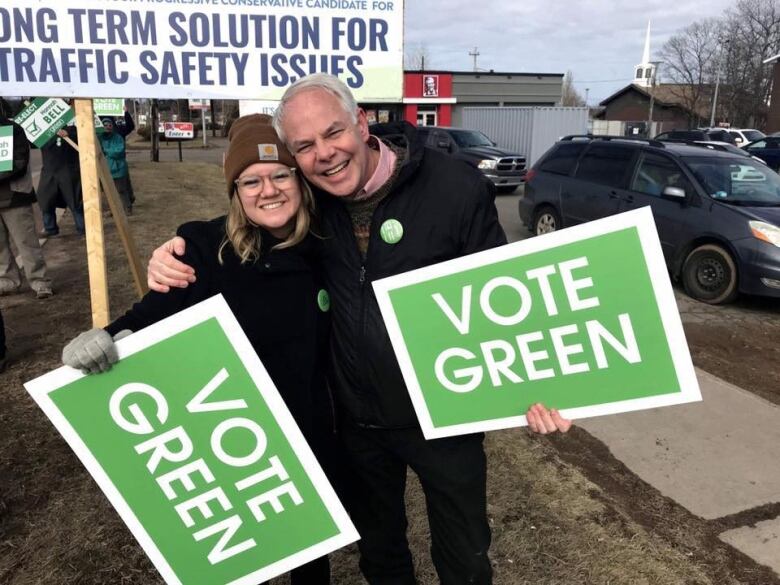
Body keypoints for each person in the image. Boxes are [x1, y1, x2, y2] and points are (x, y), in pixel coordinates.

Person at [147, 74, 571, 585]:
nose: (324, 154)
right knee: (381, 556)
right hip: (357, 421)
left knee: (465, 555)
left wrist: (541, 388)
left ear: (362, 122)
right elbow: (247, 212)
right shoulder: (310, 201)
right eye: (304, 147)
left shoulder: (454, 188)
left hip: (444, 416)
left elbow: (506, 299)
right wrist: (175, 252)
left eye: (333, 133)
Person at [62, 114, 336, 585]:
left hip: (310, 425)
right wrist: (106, 336)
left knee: (308, 547)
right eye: (250, 181)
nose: (267, 190)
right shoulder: (207, 246)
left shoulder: (328, 242)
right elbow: (151, 314)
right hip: (232, 433)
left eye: (279, 175)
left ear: (299, 180)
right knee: (243, 552)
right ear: (234, 191)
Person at [0, 98, 54, 299]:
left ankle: (40, 282)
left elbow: (19, 162)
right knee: (0, 248)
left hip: (15, 197)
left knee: (27, 243)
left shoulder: (12, 130)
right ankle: (7, 281)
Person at [36, 122, 85, 237]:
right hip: (48, 171)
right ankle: (50, 228)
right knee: (45, 201)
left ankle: (82, 228)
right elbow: (31, 142)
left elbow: (84, 136)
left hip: (68, 170)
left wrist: (69, 134)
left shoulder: (71, 128)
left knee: (75, 201)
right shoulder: (42, 131)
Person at [98, 110, 135, 214]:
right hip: (105, 168)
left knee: (122, 189)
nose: (107, 127)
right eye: (104, 125)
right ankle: (114, 209)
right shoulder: (99, 137)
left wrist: (126, 112)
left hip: (118, 168)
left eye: (109, 125)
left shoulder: (118, 135)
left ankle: (127, 207)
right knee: (109, 191)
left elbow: (118, 151)